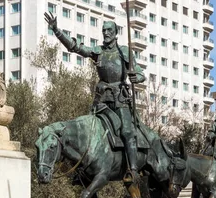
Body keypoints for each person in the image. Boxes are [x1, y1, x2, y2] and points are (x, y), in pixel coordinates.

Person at [44, 13, 145, 183]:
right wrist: (56, 30)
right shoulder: (98, 51)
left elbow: (140, 74)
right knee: (86, 131)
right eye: (104, 30)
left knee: (127, 132)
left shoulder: (124, 52)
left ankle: (133, 170)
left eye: (109, 30)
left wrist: (137, 78)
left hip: (120, 100)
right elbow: (76, 48)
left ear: (115, 33)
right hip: (101, 100)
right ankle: (83, 172)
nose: (106, 33)